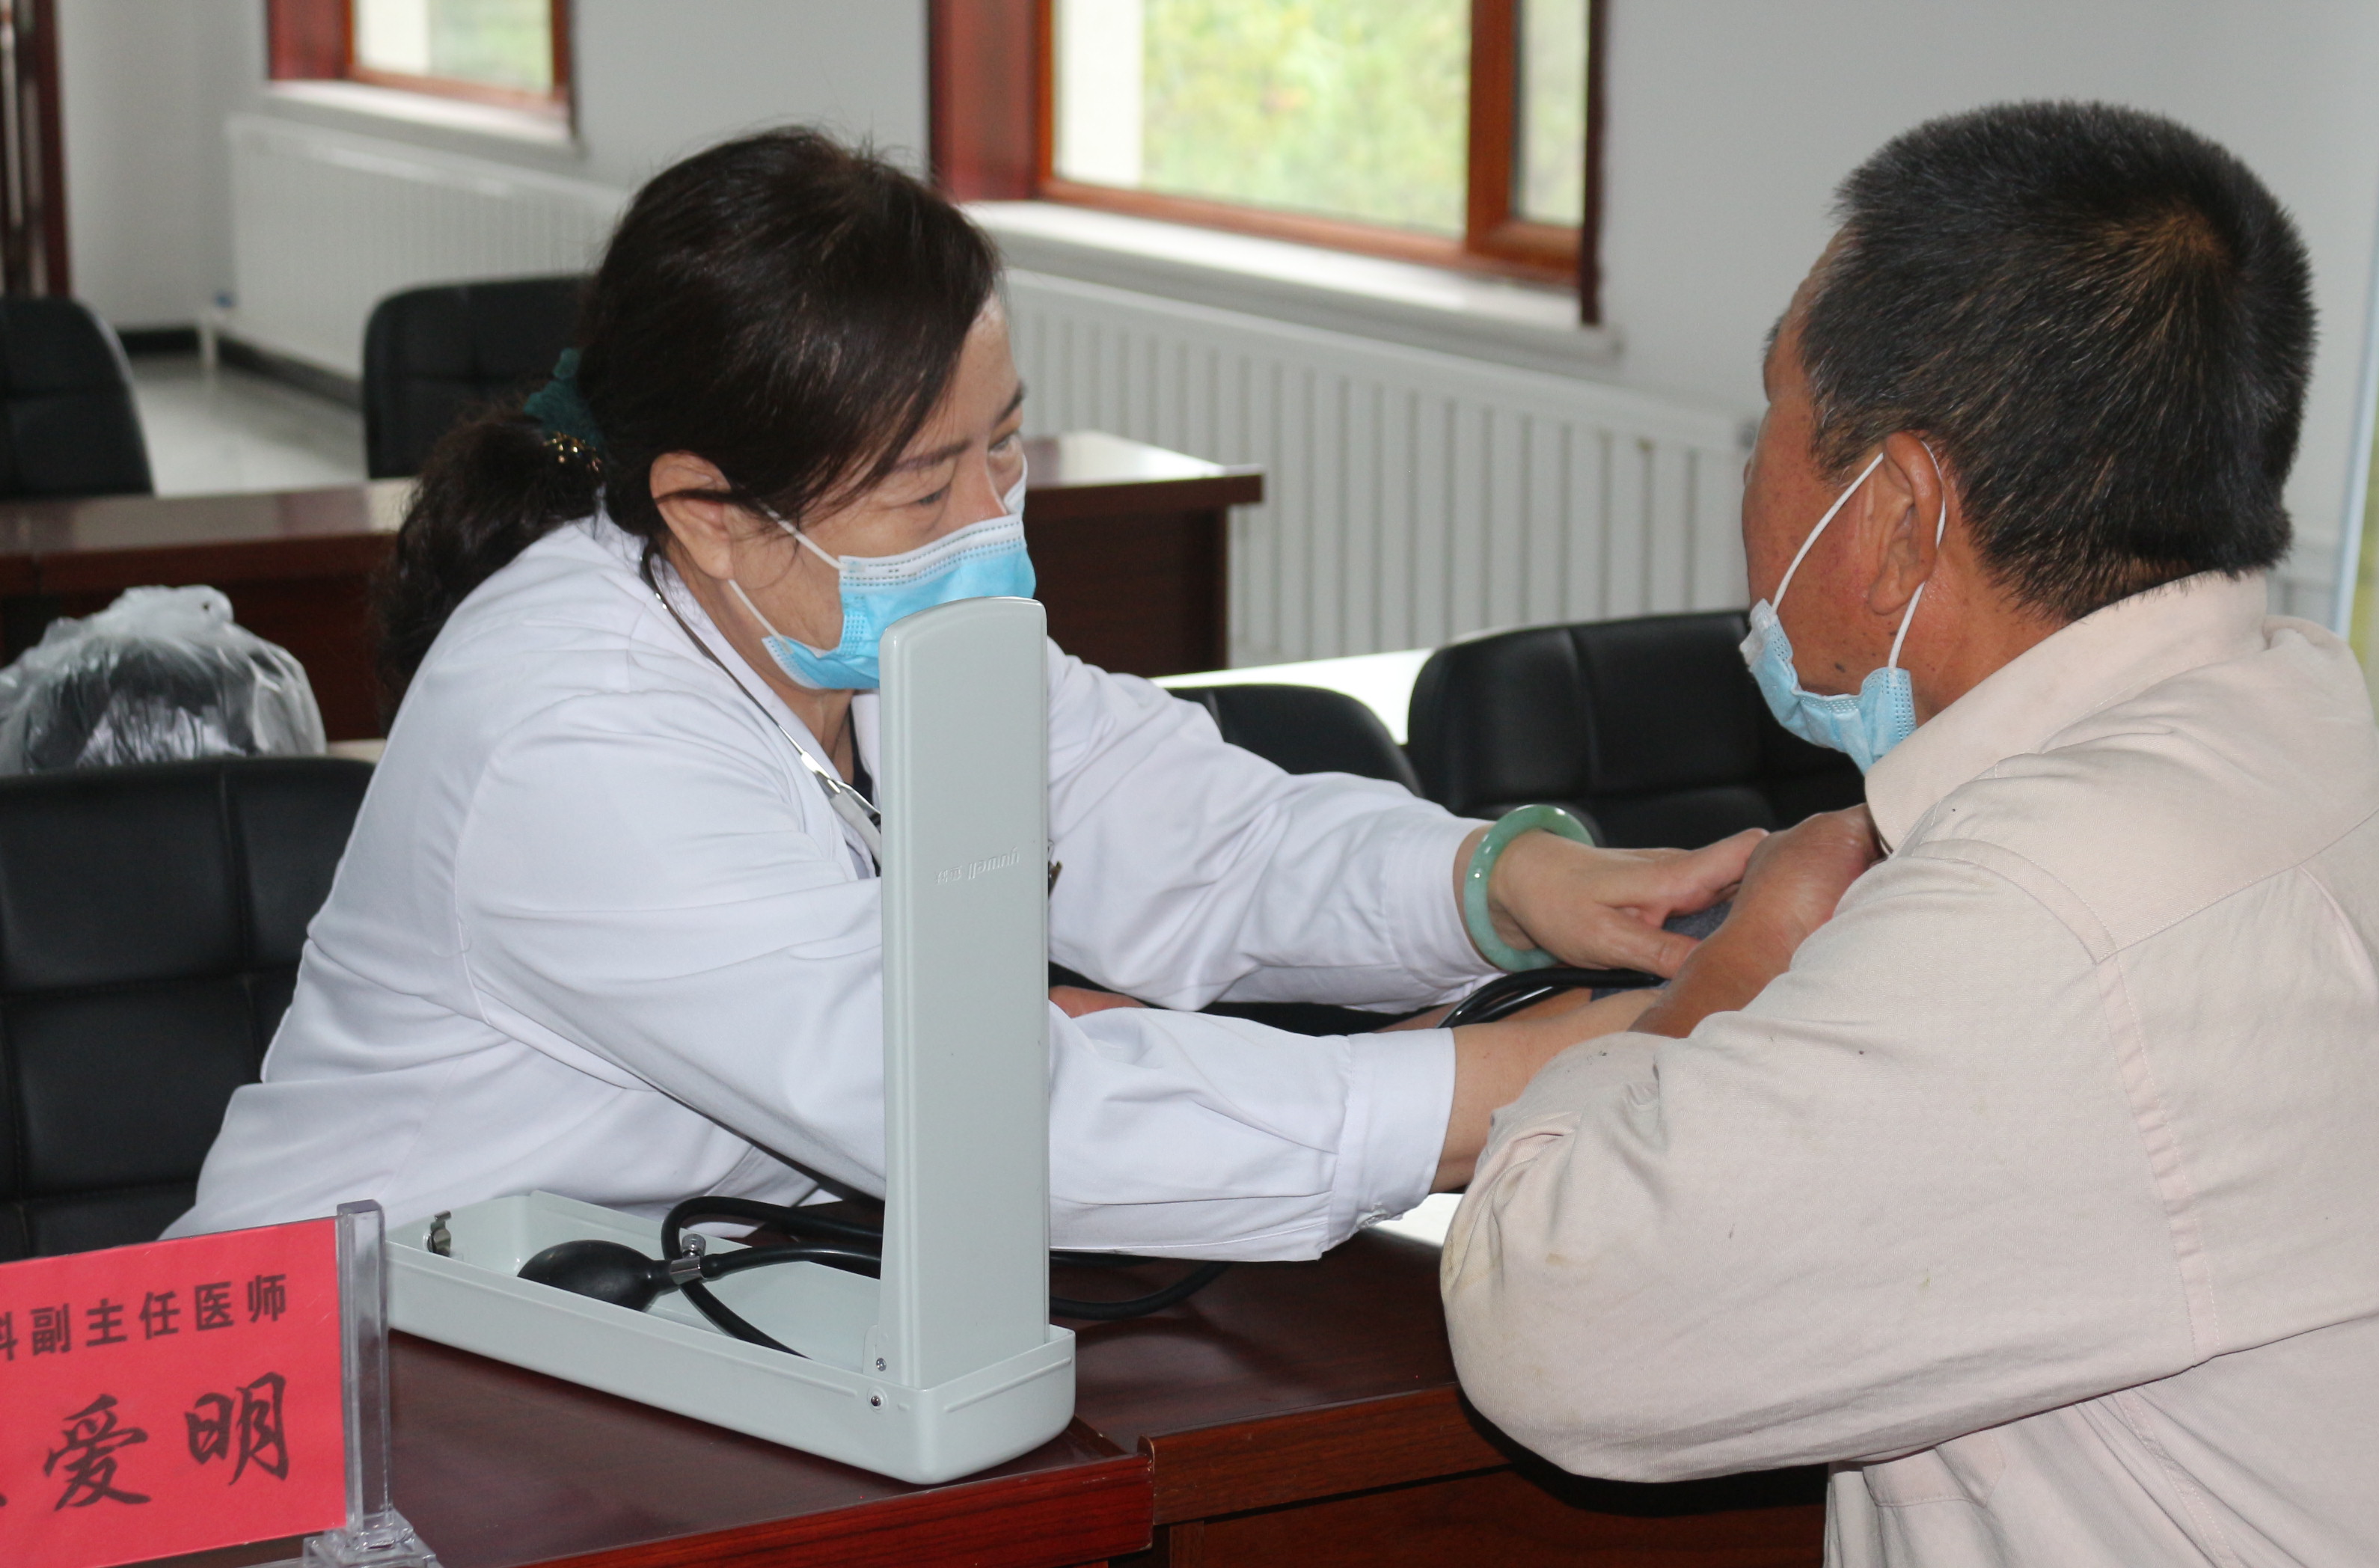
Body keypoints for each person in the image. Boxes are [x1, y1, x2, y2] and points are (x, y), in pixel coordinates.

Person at [1442, 102, 2379, 1568]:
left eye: (1772, 418)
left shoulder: (2060, 909)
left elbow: (1555, 1317)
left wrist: (1731, 979)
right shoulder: (2306, 750)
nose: (1755, 482)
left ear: (1901, 512)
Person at [173, 130, 1739, 1255]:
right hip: (361, 1368)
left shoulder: (849, 626)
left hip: (637, 1308)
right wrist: (1491, 1087)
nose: (991, 520)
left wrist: (1502, 886)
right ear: (708, 510)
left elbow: (1194, 833)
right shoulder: (567, 737)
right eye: (924, 489)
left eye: (1004, 446)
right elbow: (982, 1122)